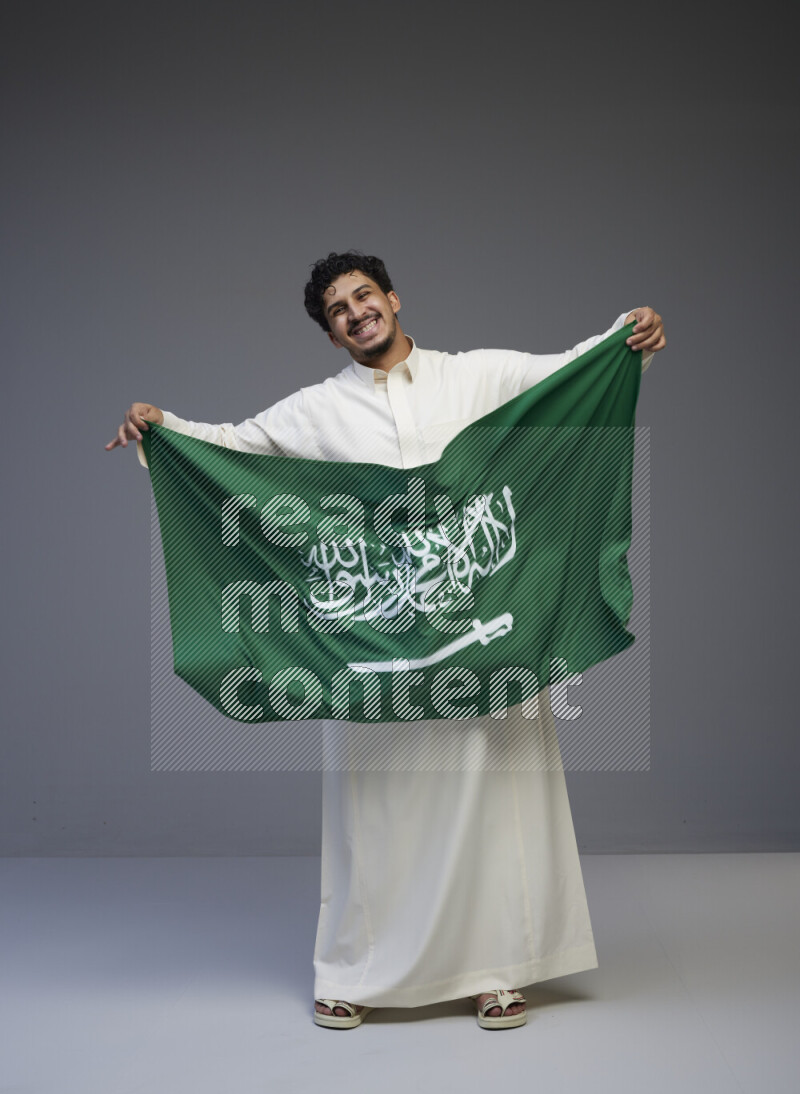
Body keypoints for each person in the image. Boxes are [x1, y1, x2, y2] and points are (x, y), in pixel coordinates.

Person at [106, 251, 666, 1030]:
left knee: (492, 796)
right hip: (371, 643)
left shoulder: (470, 374)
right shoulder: (315, 411)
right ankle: (356, 971)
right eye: (337, 308)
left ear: (394, 299)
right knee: (374, 807)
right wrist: (161, 431)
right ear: (333, 334)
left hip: (481, 620)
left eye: (363, 294)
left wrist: (622, 336)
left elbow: (564, 373)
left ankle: (497, 969)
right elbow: (233, 446)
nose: (355, 311)